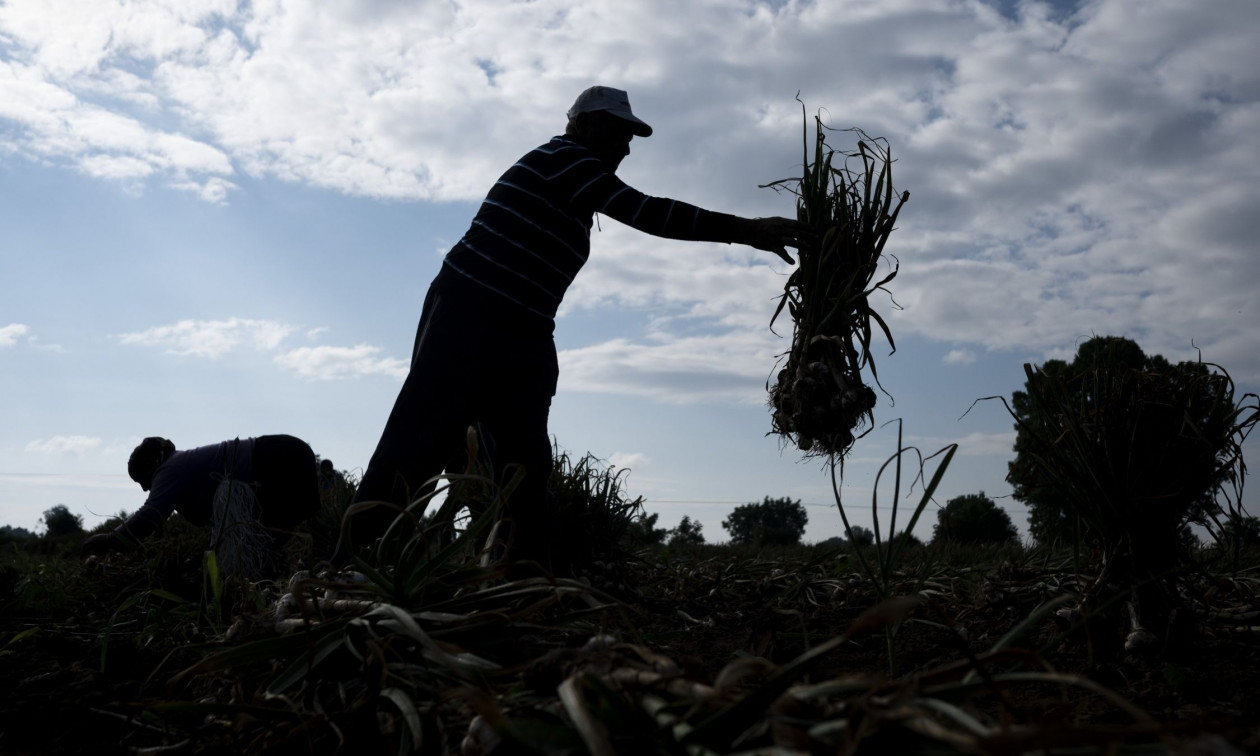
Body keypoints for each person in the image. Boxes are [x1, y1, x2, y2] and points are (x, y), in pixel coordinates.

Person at [339, 85, 812, 566]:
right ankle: (344, 567)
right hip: (472, 310)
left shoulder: (577, 182)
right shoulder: (565, 158)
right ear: (582, 125)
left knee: (525, 467)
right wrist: (744, 230)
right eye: (618, 132)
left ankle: (522, 578)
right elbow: (644, 211)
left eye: (631, 137)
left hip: (524, 328)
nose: (626, 147)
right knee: (417, 443)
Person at [83, 435, 321, 578]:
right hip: (291, 452)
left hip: (279, 458)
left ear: (151, 466)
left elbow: (151, 514)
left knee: (262, 546)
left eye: (142, 480)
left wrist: (109, 540)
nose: (146, 488)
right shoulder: (185, 465)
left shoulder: (170, 468)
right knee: (280, 538)